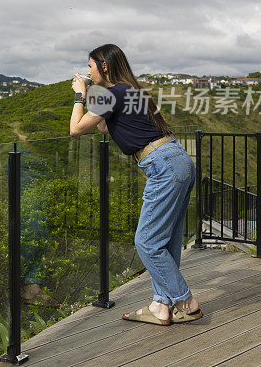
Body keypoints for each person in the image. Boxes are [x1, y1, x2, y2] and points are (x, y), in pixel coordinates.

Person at [69, 43, 201, 326]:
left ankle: (185, 300)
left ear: (104, 66)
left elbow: (76, 129)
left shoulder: (114, 93)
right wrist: (92, 94)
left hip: (162, 165)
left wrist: (80, 95)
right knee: (167, 241)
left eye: (90, 66)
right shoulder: (130, 91)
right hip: (178, 159)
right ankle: (161, 306)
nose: (88, 71)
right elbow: (105, 126)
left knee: (146, 242)